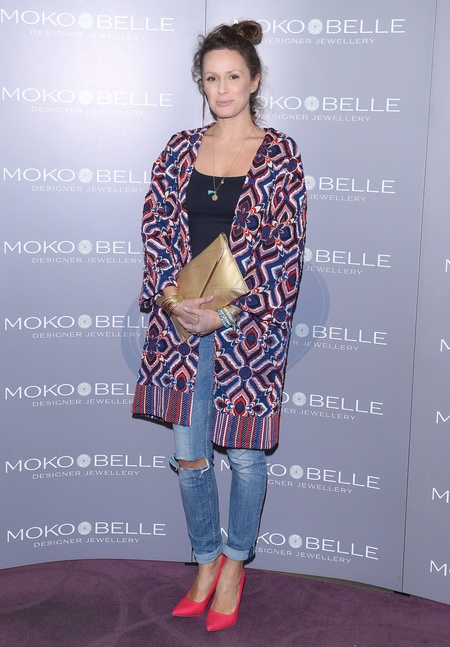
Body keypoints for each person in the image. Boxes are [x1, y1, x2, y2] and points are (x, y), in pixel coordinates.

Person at [132, 20, 307, 632]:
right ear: (201, 85)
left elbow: (284, 252)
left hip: (246, 332)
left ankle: (235, 564)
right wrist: (171, 298)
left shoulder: (280, 154)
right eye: (212, 78)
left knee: (246, 457)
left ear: (254, 80)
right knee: (190, 456)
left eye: (234, 76)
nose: (223, 88)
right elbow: (156, 225)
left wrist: (225, 313)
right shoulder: (179, 148)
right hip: (181, 328)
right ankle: (204, 561)